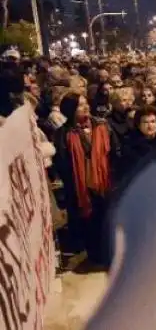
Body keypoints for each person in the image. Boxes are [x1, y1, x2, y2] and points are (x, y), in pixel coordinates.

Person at [52, 92, 121, 266]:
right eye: (80, 105)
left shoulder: (103, 126)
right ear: (70, 110)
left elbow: (114, 152)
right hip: (80, 189)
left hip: (105, 184)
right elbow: (62, 163)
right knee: (89, 224)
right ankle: (95, 256)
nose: (86, 107)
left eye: (85, 103)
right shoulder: (63, 134)